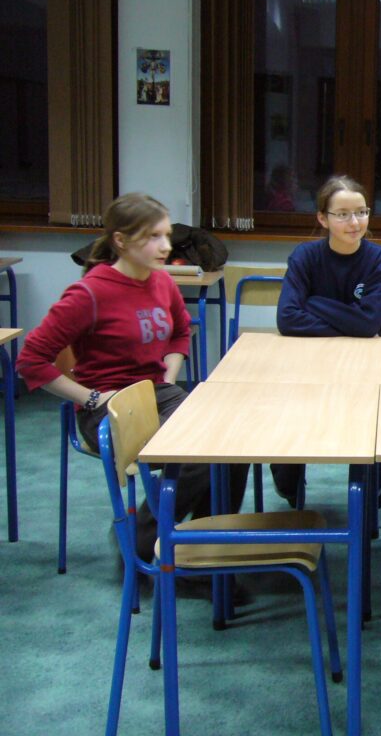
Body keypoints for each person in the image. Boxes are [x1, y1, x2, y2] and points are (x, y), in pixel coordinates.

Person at [17, 193, 250, 563]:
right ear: (120, 241)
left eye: (166, 235)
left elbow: (180, 332)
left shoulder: (161, 282)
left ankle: (203, 551)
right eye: (153, 237)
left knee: (234, 442)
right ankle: (143, 541)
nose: (165, 246)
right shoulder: (89, 293)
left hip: (156, 391)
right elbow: (31, 361)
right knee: (197, 452)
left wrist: (168, 377)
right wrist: (92, 398)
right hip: (107, 404)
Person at [271, 175, 381, 505]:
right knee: (289, 408)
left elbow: (368, 323)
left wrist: (314, 303)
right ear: (323, 218)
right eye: (342, 214)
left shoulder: (380, 259)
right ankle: (289, 479)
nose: (354, 222)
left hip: (367, 363)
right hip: (309, 361)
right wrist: (351, 319)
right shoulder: (305, 256)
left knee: (377, 418)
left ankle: (374, 492)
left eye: (361, 212)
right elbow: (287, 318)